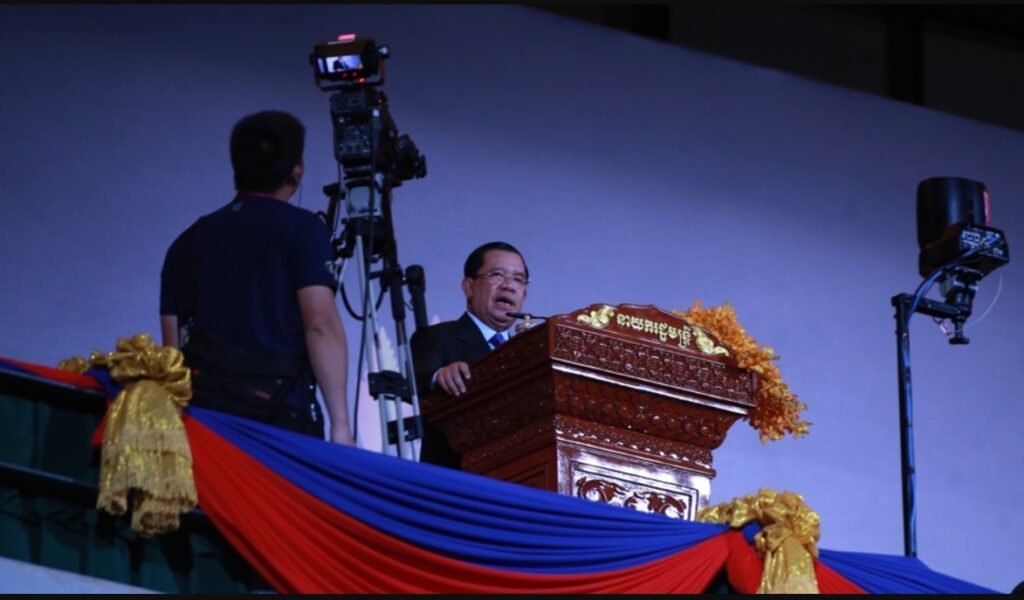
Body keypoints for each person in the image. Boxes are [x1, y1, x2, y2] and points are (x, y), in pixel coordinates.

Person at [159, 110, 354, 446]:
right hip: (279, 415)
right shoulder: (304, 230)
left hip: (203, 418)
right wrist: (341, 425)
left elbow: (171, 347)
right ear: (297, 171)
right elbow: (320, 323)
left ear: (237, 169)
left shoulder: (187, 241)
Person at [410, 241, 529, 468]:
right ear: (469, 287)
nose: (509, 286)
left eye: (518, 279)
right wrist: (440, 375)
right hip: (456, 476)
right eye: (497, 275)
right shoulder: (437, 337)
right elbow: (416, 378)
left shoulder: (527, 351)